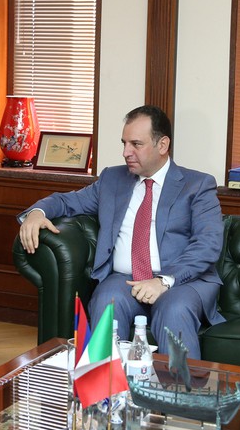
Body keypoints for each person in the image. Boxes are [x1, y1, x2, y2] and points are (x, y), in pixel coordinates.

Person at [18, 105, 224, 359]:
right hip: (125, 280)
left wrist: (163, 281)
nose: (126, 152)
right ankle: (103, 381)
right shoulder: (112, 179)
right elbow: (67, 201)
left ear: (162, 145)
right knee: (107, 300)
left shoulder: (197, 185)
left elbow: (208, 244)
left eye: (136, 144)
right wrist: (36, 213)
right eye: (124, 143)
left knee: (174, 309)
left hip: (182, 282)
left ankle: (180, 384)